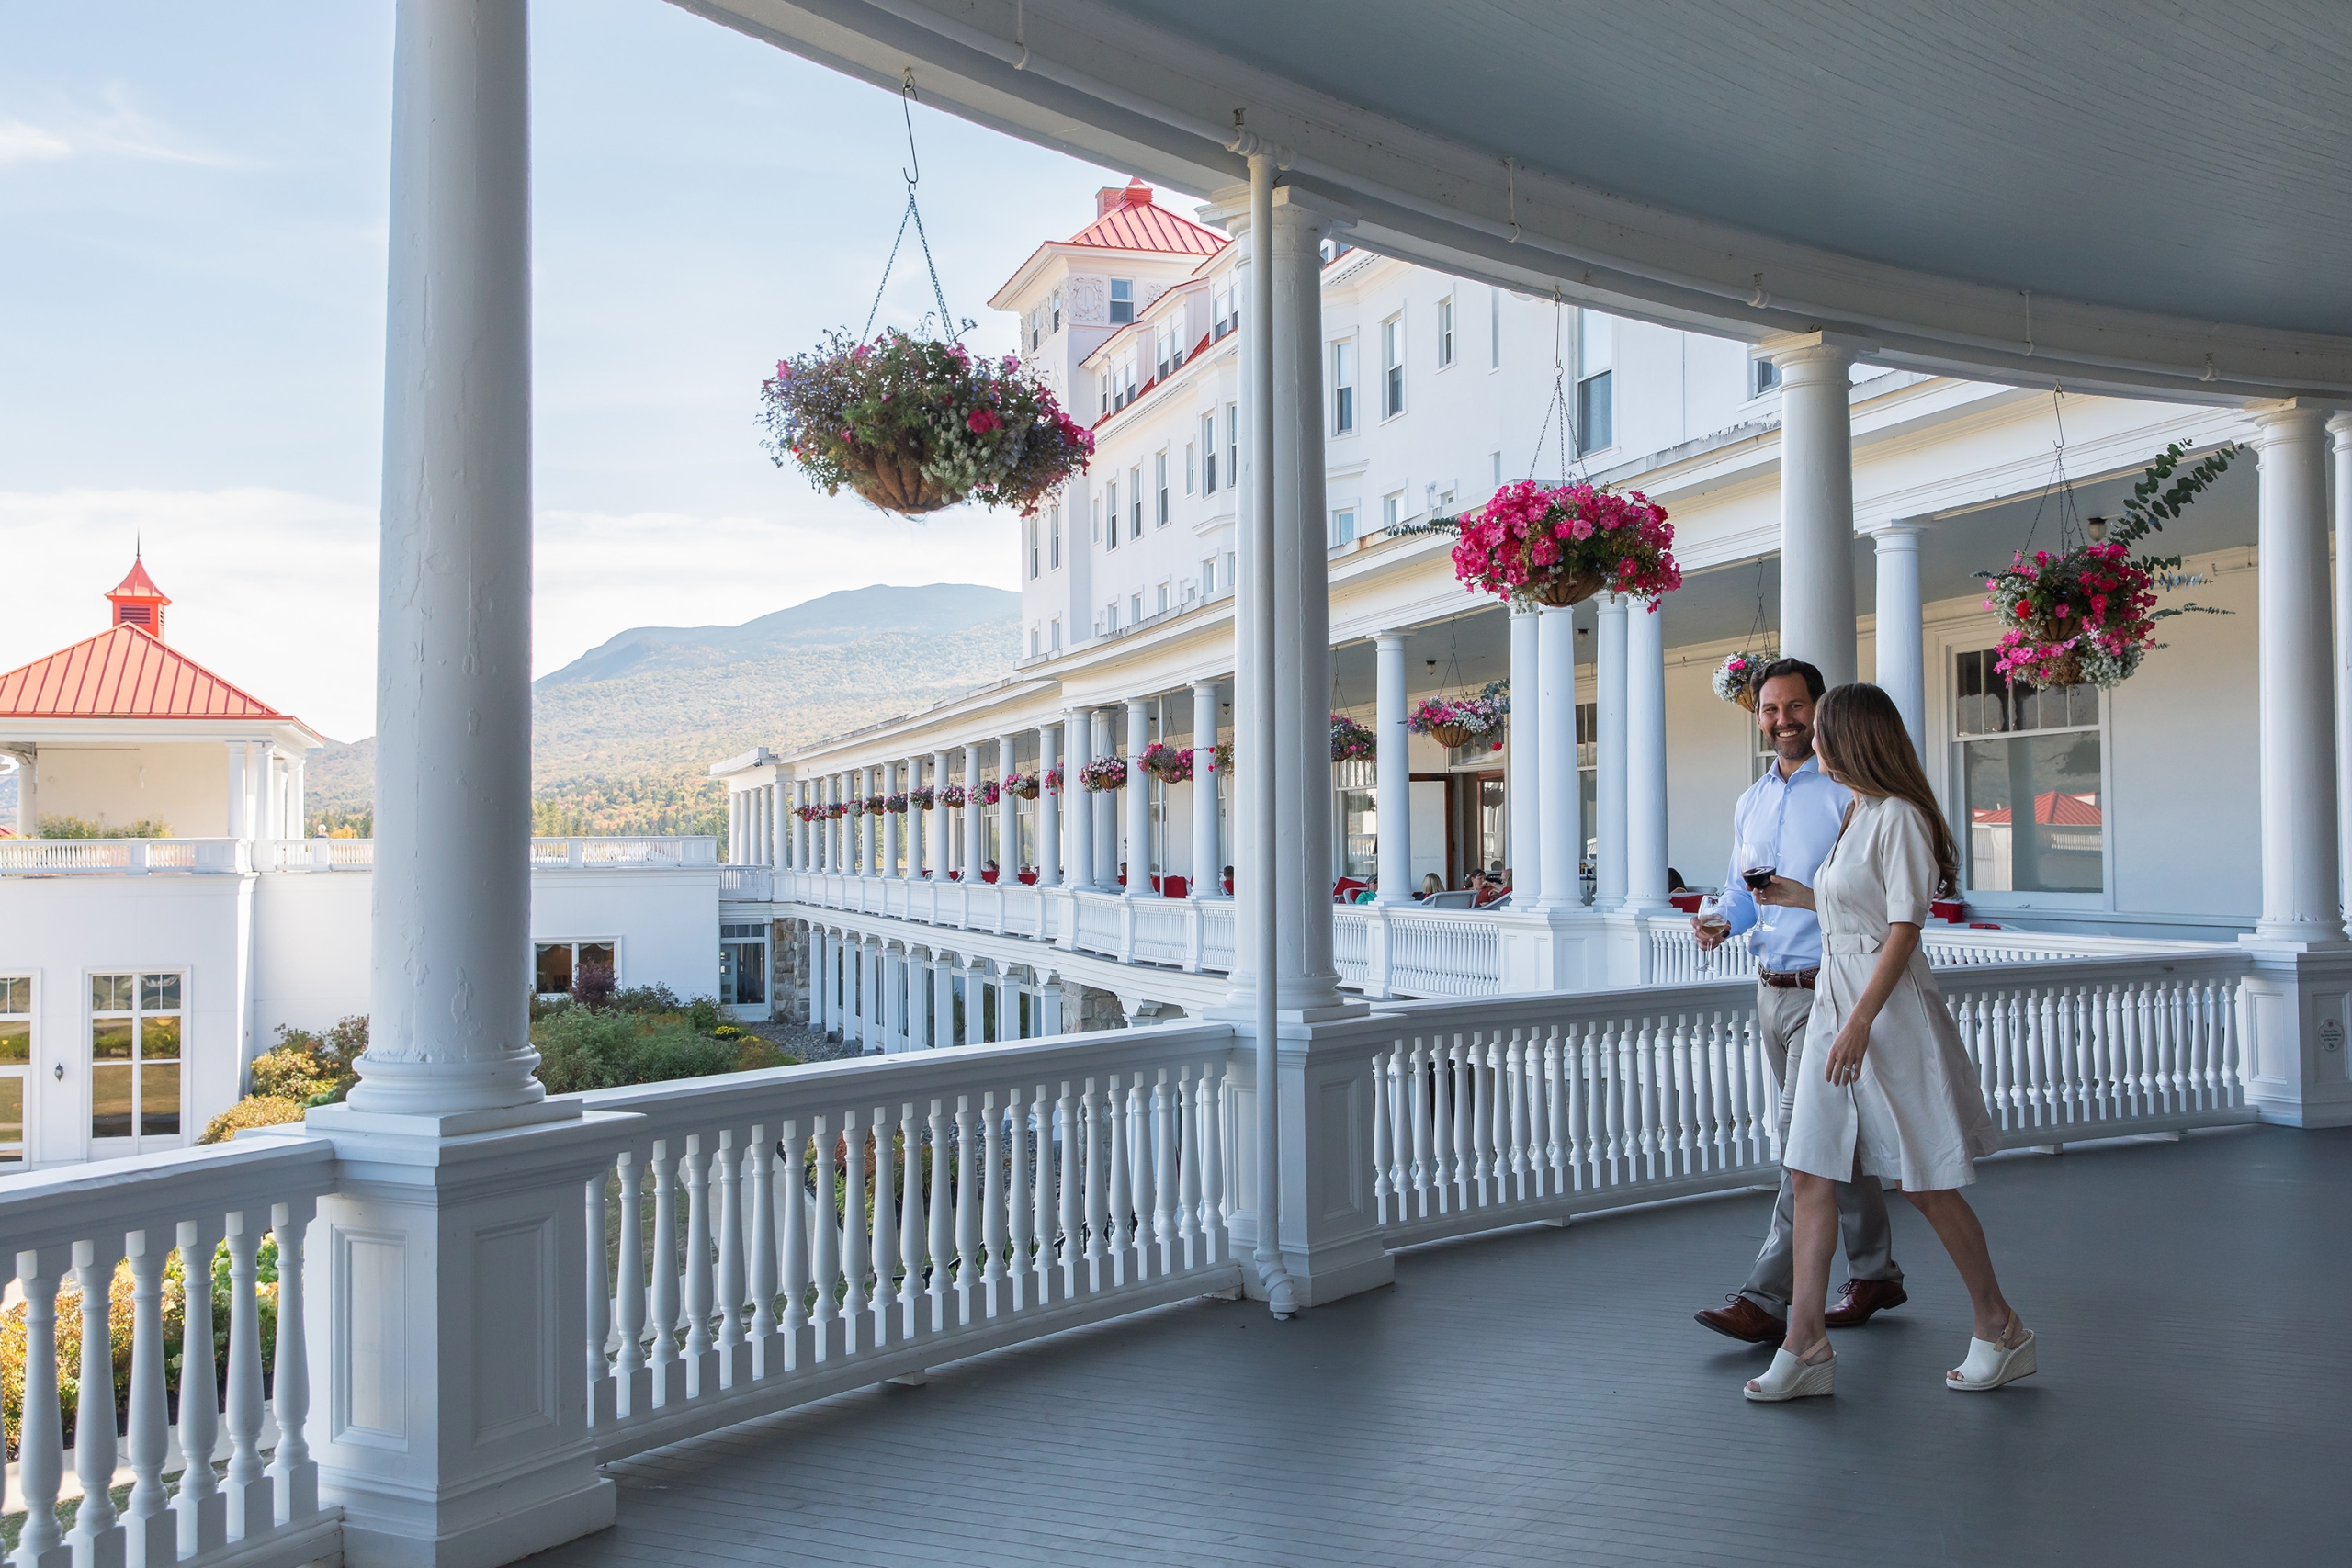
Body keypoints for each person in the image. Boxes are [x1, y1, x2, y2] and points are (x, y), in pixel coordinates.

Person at [1742, 683, 2025, 1400]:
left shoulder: (1898, 815)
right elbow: (1855, 904)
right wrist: (1800, 897)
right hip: (1836, 996)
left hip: (1883, 1010)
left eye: (1825, 730)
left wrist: (1863, 1020)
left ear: (1852, 737)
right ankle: (1804, 1343)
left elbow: (1904, 924)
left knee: (1923, 1180)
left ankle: (2001, 1327)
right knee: (1810, 1170)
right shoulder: (1858, 811)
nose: (1814, 742)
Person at [1691, 659, 1907, 1347]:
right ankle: (1875, 1271)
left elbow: (1872, 899)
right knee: (1831, 1140)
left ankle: (1767, 1295)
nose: (1782, 720)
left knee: (1801, 1146)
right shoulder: (1751, 801)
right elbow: (1742, 895)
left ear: (1820, 708)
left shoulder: (1848, 793)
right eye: (1769, 708)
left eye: (1794, 706)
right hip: (1772, 991)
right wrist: (1720, 921)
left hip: (1831, 989)